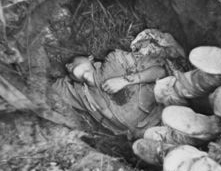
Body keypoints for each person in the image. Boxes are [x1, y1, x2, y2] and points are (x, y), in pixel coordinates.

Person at [53, 29, 187, 139]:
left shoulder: (114, 60)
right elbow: (40, 86)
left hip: (165, 114)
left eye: (72, 61)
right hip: (145, 137)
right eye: (67, 69)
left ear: (90, 58)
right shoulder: (77, 92)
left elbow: (160, 71)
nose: (68, 66)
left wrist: (125, 80)